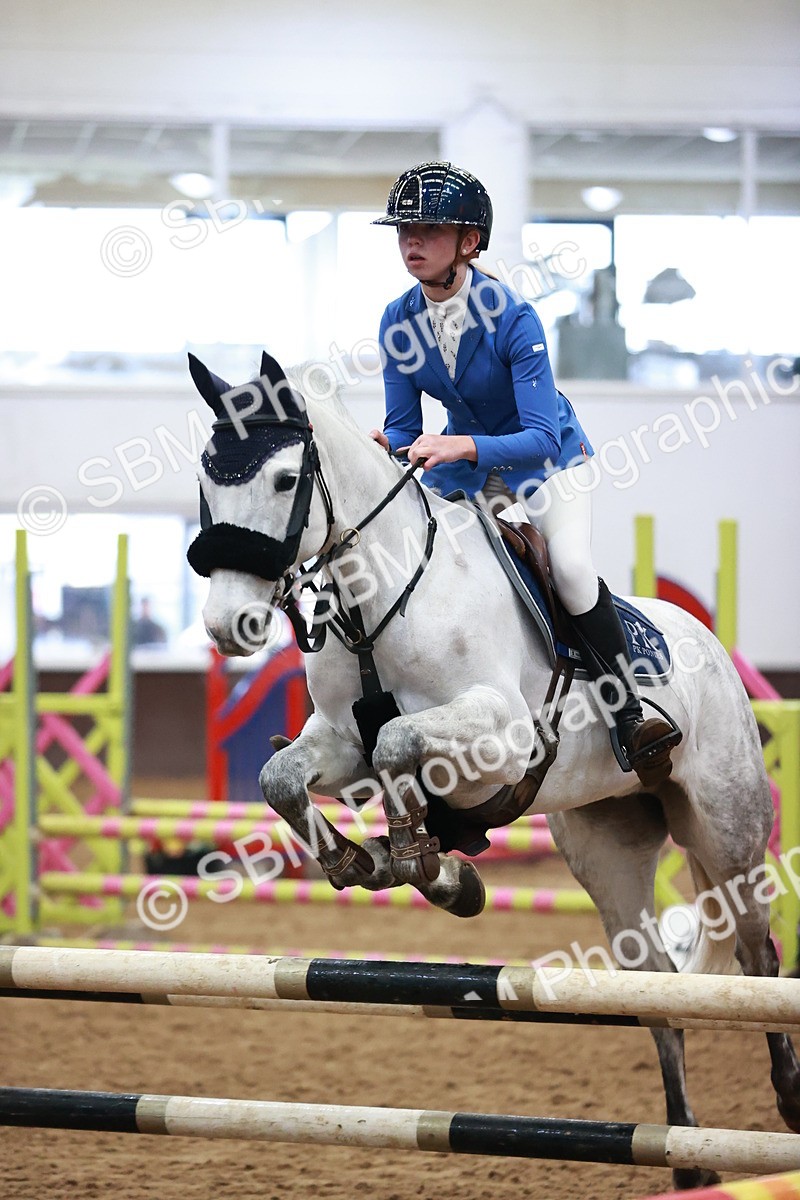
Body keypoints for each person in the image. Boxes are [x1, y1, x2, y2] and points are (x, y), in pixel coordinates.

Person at [369, 160, 681, 787]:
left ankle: (629, 715)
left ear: (469, 242)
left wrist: (456, 446)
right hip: (467, 468)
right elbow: (404, 428)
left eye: (429, 228)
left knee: (567, 567)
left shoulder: (515, 318)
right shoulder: (397, 320)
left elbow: (537, 436)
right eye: (404, 228)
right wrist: (383, 449)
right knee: (413, 558)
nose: (411, 241)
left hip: (548, 463)